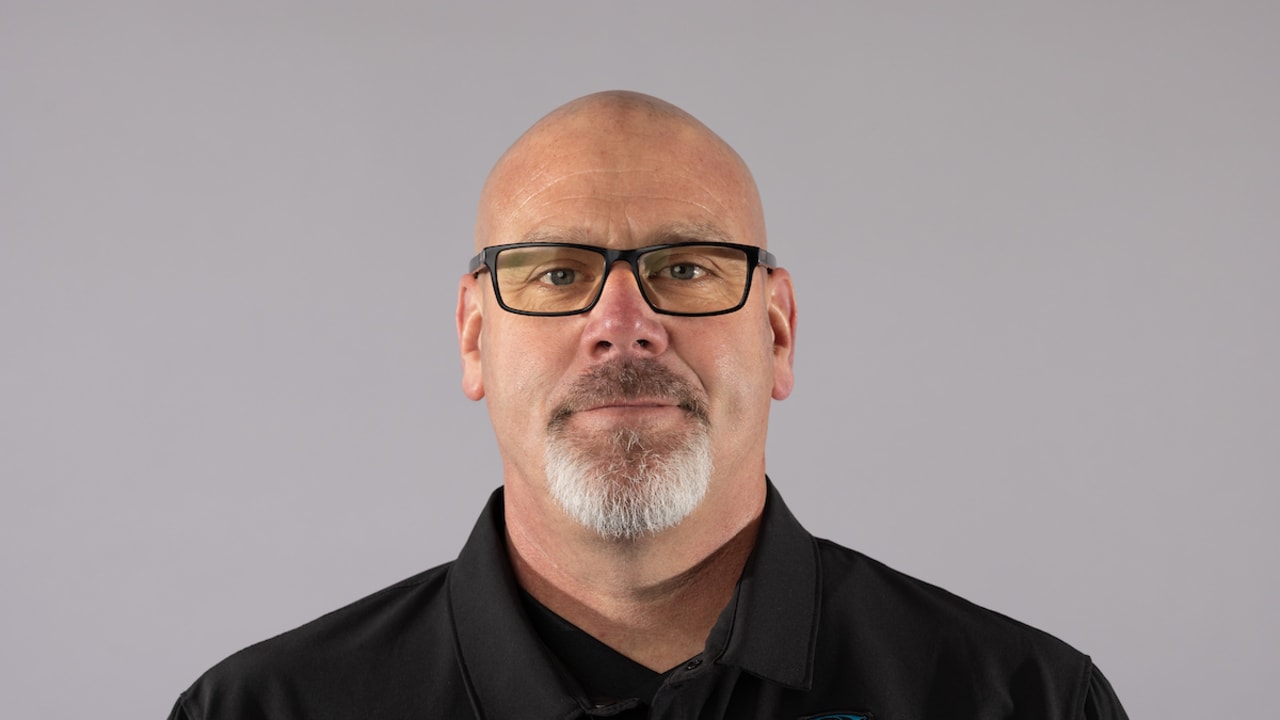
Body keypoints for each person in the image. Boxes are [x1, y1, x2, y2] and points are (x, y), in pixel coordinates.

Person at [167, 90, 1128, 719]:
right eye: (556, 274)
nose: (623, 327)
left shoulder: (1025, 702)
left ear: (778, 332)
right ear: (473, 337)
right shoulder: (266, 711)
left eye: (685, 268)